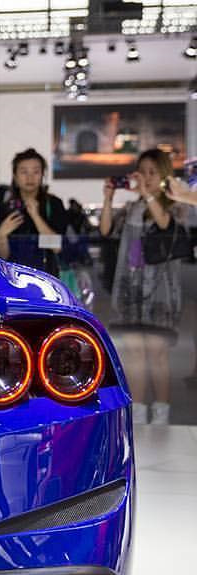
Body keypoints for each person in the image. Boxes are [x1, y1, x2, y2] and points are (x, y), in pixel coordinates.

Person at [100, 149, 185, 425]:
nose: (146, 178)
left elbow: (164, 223)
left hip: (161, 291)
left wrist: (148, 194)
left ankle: (161, 413)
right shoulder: (132, 208)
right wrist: (109, 198)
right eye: (142, 172)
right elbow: (105, 230)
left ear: (164, 175)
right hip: (130, 291)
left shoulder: (176, 205)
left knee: (158, 355)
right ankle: (138, 413)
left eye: (152, 172)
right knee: (135, 354)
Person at [0, 148, 68, 275]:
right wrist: (1, 235)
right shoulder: (8, 207)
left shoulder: (54, 203)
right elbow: (3, 256)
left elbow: (58, 248)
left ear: (42, 175)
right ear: (15, 177)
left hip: (48, 277)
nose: (30, 177)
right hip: (16, 277)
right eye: (24, 172)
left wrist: (35, 216)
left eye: (36, 172)